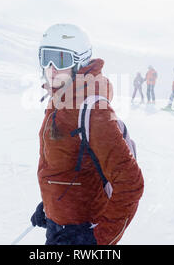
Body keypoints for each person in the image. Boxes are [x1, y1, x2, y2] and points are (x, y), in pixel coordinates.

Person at [32, 24, 144, 245]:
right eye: (46, 58)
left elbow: (130, 183)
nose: (52, 68)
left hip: (82, 233)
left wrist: (95, 239)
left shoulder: (93, 110)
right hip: (60, 229)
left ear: (79, 62)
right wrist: (50, 205)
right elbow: (69, 165)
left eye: (61, 59)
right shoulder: (60, 99)